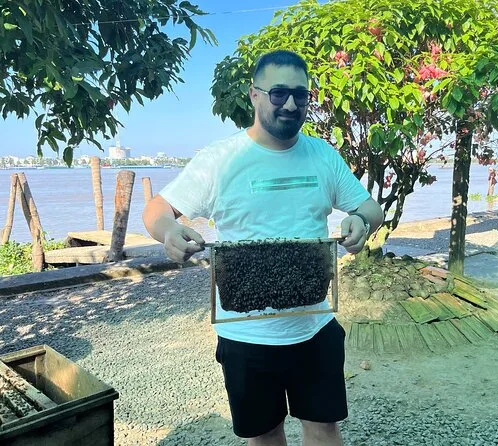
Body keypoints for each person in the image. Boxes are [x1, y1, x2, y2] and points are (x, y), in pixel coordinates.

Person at [143, 50, 384, 446]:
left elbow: (370, 208)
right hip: (245, 335)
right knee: (265, 435)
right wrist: (168, 230)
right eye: (278, 93)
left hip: (314, 326)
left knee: (324, 428)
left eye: (300, 95)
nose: (290, 104)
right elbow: (157, 209)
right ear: (254, 94)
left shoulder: (322, 155)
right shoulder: (219, 160)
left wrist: (361, 220)